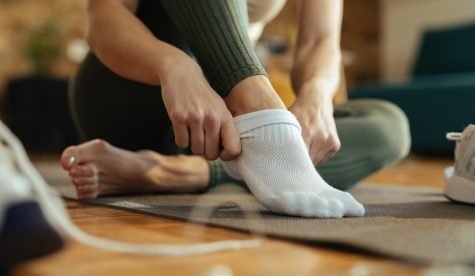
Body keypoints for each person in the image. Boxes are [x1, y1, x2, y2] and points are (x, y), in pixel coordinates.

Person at [60, 0, 410, 218]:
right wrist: (175, 67)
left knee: (388, 125)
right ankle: (261, 117)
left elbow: (320, 40)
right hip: (139, 90)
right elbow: (105, 16)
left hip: (227, 130)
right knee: (264, 120)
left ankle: (169, 173)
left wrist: (317, 95)